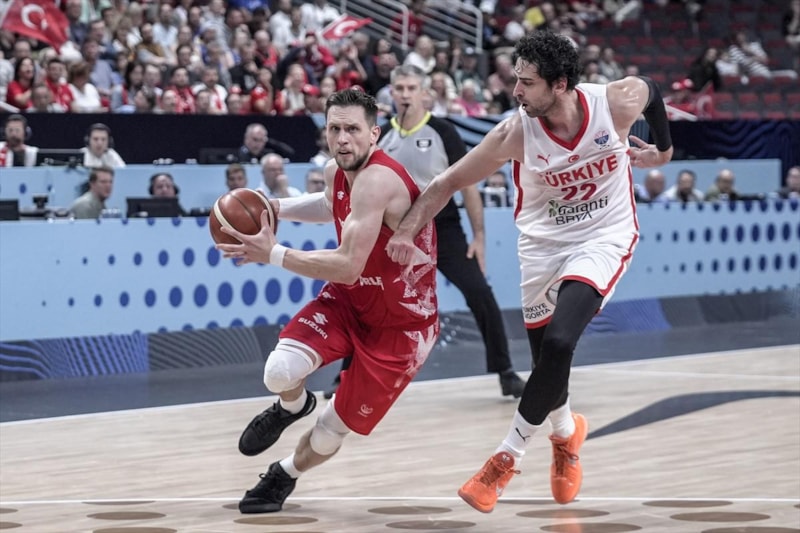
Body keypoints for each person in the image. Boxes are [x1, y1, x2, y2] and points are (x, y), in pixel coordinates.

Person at [385, 31, 674, 511]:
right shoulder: (514, 132)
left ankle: (504, 459)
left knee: (560, 343)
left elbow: (655, 93)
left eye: (527, 82)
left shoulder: (615, 104)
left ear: (560, 84)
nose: (515, 91)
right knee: (546, 363)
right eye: (515, 79)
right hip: (542, 246)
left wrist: (663, 150)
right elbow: (446, 182)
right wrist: (405, 232)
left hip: (604, 235)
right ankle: (565, 434)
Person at [216, 88, 439, 514]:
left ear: (374, 134)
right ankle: (292, 405)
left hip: (401, 328)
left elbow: (348, 265)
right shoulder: (338, 171)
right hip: (349, 302)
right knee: (279, 371)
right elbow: (328, 204)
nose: (342, 139)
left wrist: (273, 254)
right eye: (334, 129)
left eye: (352, 129)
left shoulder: (378, 179)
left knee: (328, 431)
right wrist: (272, 206)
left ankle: (284, 473)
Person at [327, 64, 525, 400]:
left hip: (442, 228)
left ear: (423, 93)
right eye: (399, 88)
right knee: (367, 299)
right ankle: (346, 374)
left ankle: (505, 371)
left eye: (411, 88)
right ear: (392, 92)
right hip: (392, 231)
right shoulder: (378, 136)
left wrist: (478, 237)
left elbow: (468, 186)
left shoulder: (443, 131)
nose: (405, 94)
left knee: (480, 293)